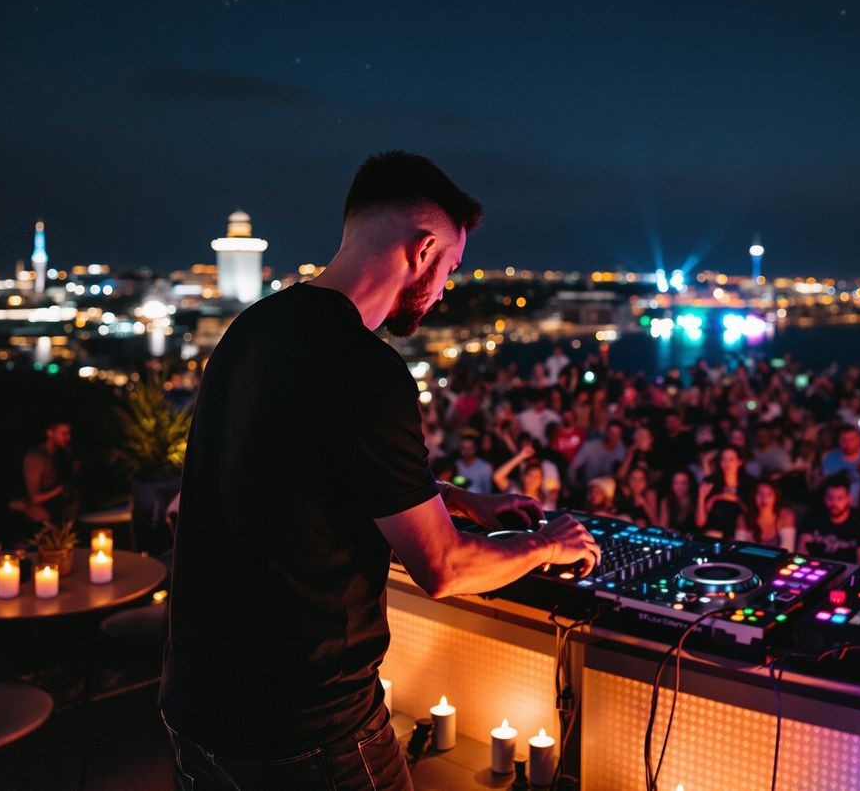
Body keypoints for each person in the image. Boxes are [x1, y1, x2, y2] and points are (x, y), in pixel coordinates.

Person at [160, 151, 599, 791]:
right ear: (421, 250)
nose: (447, 287)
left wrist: (456, 497)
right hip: (306, 730)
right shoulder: (368, 369)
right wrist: (545, 545)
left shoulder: (251, 331)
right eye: (450, 267)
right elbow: (442, 569)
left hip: (195, 709)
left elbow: (298, 468)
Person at [796, 475, 860, 564]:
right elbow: (802, 552)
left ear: (849, 499)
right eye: (830, 498)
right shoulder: (813, 516)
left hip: (848, 573)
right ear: (824, 498)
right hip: (816, 570)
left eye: (839, 498)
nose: (834, 503)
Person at [17, 420, 79, 524]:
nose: (68, 438)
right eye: (64, 434)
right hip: (36, 507)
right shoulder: (36, 458)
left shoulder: (63, 454)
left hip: (59, 505)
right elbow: (35, 498)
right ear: (50, 433)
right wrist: (60, 489)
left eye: (69, 434)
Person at [696, 446, 755, 538]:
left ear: (739, 462)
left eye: (731, 460)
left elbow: (753, 519)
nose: (727, 463)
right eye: (723, 459)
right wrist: (702, 497)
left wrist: (736, 499)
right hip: (714, 534)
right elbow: (700, 523)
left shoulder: (749, 485)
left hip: (740, 535)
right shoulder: (710, 482)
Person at [820, 426, 860, 505]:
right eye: (844, 440)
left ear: (859, 440)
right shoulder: (830, 458)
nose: (848, 443)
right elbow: (825, 485)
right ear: (839, 441)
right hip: (835, 505)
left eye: (851, 440)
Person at [734, 479, 796, 550]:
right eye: (760, 494)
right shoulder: (743, 519)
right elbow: (738, 549)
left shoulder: (786, 516)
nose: (764, 499)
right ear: (753, 496)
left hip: (778, 561)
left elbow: (788, 549)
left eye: (769, 494)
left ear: (776, 497)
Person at [568, 422, 626, 488]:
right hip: (588, 486)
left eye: (617, 434)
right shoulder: (590, 446)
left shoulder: (621, 450)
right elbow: (572, 467)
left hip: (609, 489)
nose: (613, 436)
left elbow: (620, 475)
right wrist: (574, 484)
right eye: (611, 433)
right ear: (605, 433)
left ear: (620, 436)